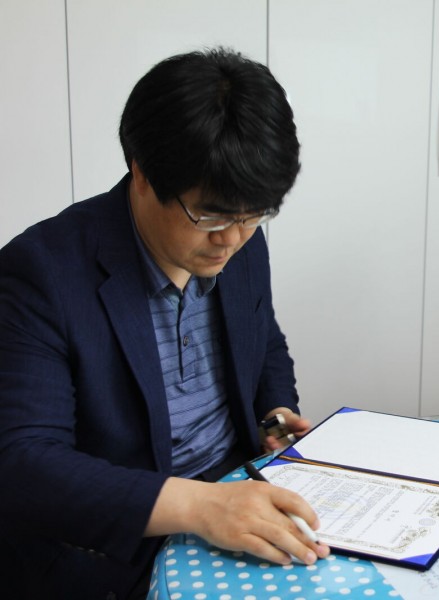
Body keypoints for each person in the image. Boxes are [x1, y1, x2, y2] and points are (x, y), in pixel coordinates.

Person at [0, 47, 329, 599]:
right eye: (210, 214)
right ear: (142, 173)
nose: (232, 238)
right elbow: (24, 464)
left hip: (236, 500)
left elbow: (264, 340)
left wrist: (273, 415)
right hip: (114, 553)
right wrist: (200, 505)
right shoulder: (42, 273)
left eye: (254, 215)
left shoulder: (240, 239)